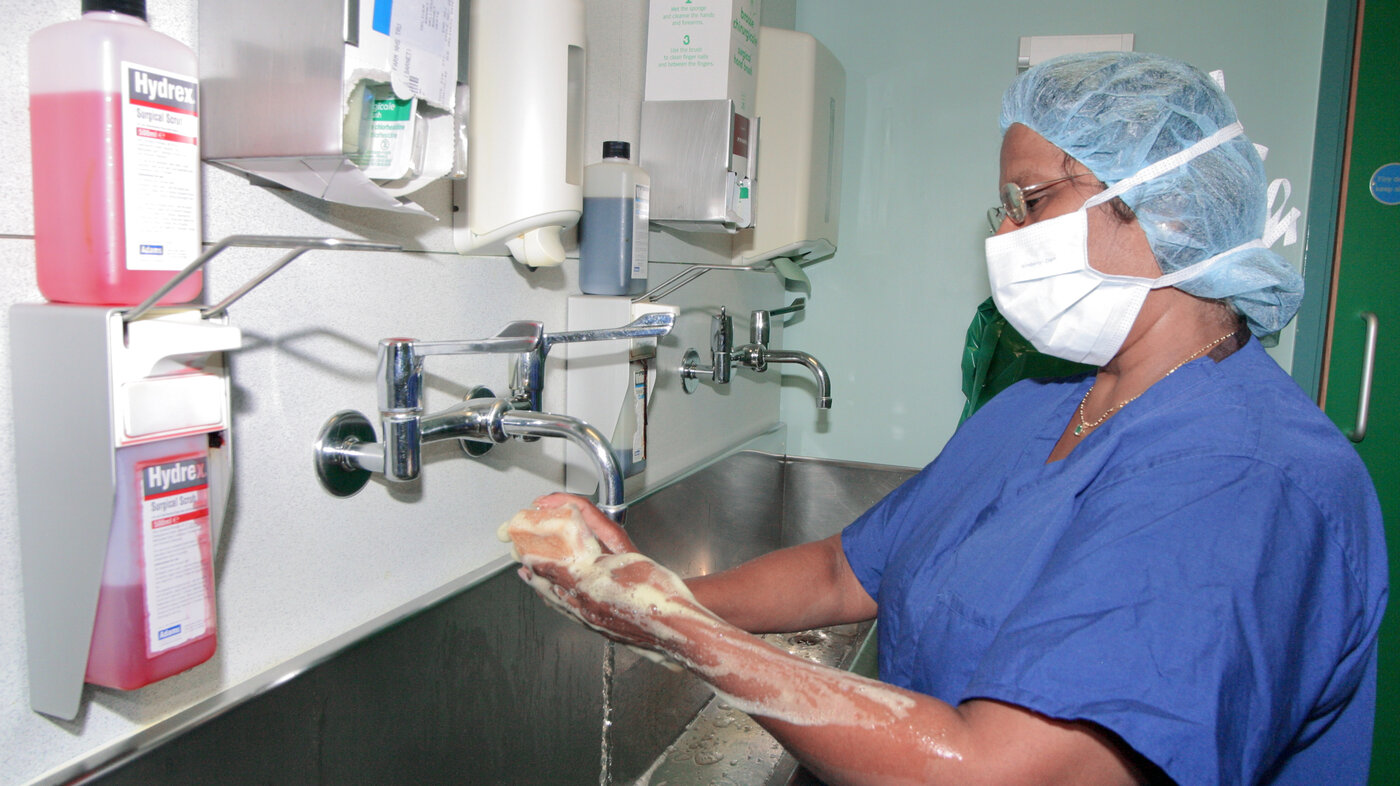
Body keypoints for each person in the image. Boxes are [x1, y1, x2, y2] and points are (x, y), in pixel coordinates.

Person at [506, 52, 1387, 784]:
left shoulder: (1252, 484)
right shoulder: (1039, 411)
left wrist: (677, 630)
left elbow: (995, 772)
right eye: (1002, 211)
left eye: (1033, 201)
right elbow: (843, 572)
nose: (1005, 239)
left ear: (1172, 209)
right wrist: (646, 591)